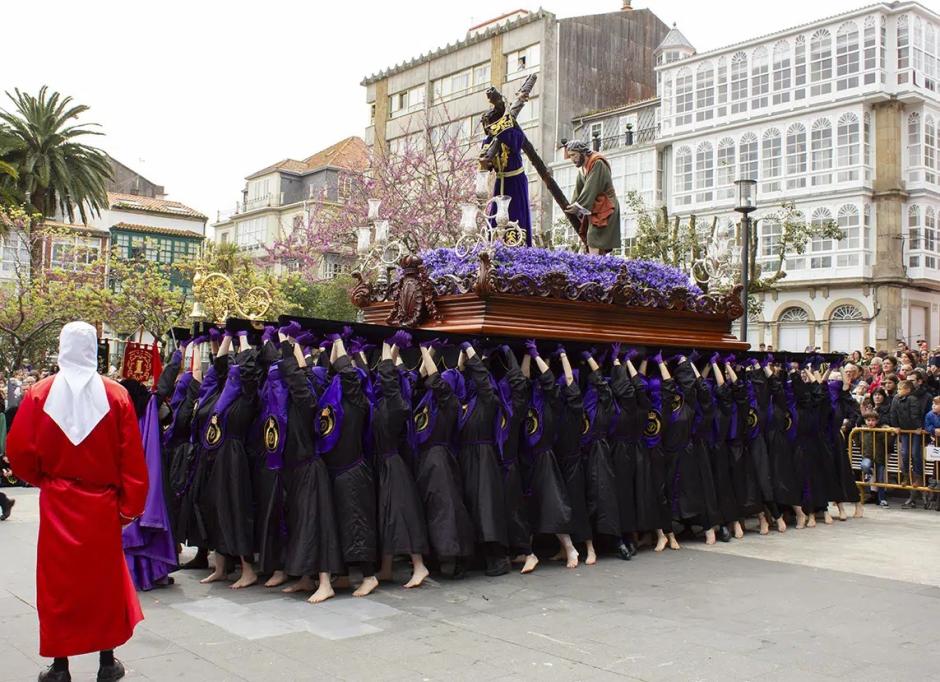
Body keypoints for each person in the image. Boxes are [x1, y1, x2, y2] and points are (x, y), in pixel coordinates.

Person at [7, 321, 148, 682]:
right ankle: (107, 661)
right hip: (102, 503)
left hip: (58, 501)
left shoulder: (39, 394)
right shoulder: (116, 395)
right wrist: (130, 507)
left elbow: (19, 451)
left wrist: (46, 480)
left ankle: (60, 666)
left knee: (57, 585)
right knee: (104, 584)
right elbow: (132, 458)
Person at [563, 140, 621, 255]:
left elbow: (591, 186)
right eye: (570, 156)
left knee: (593, 237)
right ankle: (597, 263)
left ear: (582, 152)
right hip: (595, 206)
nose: (572, 159)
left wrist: (579, 206)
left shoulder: (597, 163)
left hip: (606, 205)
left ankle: (593, 263)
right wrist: (573, 205)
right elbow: (579, 189)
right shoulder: (583, 169)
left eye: (574, 155)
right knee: (592, 238)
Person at [889, 379, 927, 508]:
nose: (898, 391)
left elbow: (915, 414)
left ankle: (918, 477)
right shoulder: (895, 399)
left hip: (914, 431)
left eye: (901, 389)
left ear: (908, 390)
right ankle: (906, 475)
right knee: (904, 453)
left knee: (915, 454)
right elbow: (893, 413)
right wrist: (895, 426)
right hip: (904, 431)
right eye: (898, 389)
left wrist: (918, 426)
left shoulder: (913, 399)